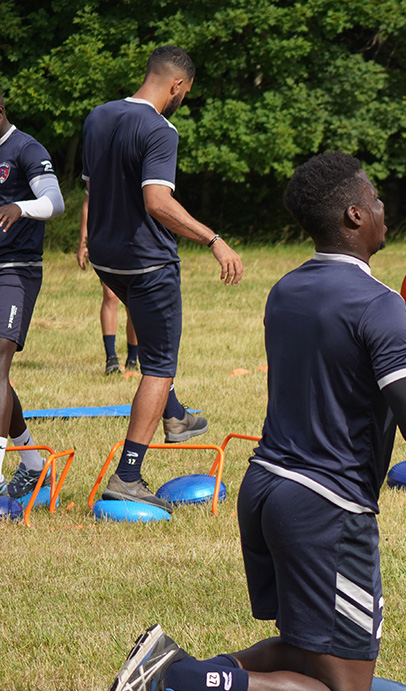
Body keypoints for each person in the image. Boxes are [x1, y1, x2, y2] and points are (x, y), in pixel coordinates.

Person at [89, 151, 406, 691]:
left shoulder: (288, 289)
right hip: (325, 510)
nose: (383, 207)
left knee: (305, 649)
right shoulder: (378, 304)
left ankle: (170, 673)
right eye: (375, 198)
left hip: (267, 488)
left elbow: (346, 376)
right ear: (354, 215)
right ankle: (180, 676)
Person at [81, 45, 243, 511]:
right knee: (159, 366)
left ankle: (176, 418)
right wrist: (214, 239)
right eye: (184, 93)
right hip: (147, 262)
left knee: (153, 344)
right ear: (176, 85)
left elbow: (93, 189)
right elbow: (157, 202)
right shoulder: (159, 129)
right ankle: (128, 475)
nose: (181, 100)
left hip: (106, 257)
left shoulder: (98, 116)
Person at [0, 89, 65, 501]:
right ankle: (33, 462)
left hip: (16, 269)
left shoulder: (26, 149)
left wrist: (21, 207)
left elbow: (55, 202)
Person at [77, 191, 138, 375]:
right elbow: (88, 203)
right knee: (110, 295)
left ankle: (133, 359)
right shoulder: (100, 171)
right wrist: (83, 242)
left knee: (133, 299)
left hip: (134, 238)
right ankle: (111, 358)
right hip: (107, 237)